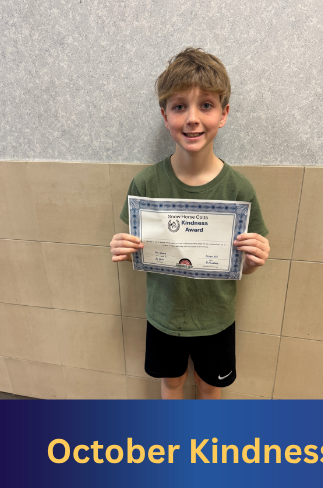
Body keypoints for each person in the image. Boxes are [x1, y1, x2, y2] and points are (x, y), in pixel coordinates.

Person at [109, 48, 270, 400]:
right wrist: (122, 246)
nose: (192, 119)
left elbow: (244, 265)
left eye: (206, 105)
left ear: (224, 114)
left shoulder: (238, 189)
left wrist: (254, 261)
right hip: (164, 315)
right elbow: (138, 245)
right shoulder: (145, 185)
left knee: (211, 385)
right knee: (171, 382)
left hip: (216, 317)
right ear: (164, 115)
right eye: (180, 106)